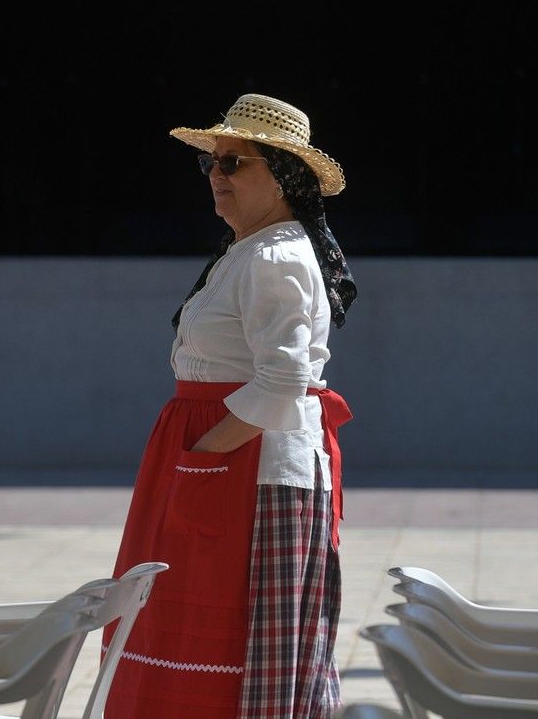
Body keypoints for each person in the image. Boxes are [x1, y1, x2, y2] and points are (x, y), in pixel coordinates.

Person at [105, 93, 357, 719]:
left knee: (236, 643)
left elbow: (284, 381)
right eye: (212, 163)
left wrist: (200, 453)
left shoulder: (277, 257)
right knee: (176, 621)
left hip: (246, 465)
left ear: (285, 176)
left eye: (235, 163)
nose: (217, 176)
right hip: (220, 457)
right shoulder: (248, 251)